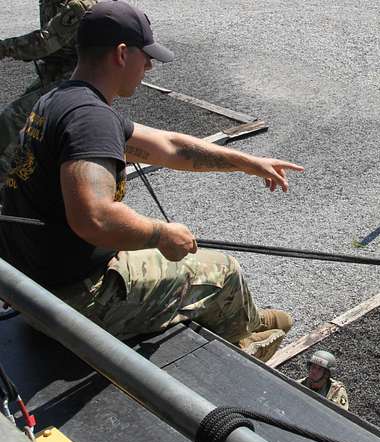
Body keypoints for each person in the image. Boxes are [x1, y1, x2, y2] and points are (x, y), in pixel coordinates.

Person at [0, 1, 304, 363]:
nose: (150, 66)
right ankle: (244, 341)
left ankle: (247, 318)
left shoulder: (59, 99)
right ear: (121, 54)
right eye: (146, 56)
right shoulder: (90, 120)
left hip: (31, 284)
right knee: (224, 272)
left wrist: (248, 162)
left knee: (175, 260)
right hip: (74, 298)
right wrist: (162, 234)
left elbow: (171, 147)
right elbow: (94, 218)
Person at [0, 0, 98, 184]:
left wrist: (4, 48)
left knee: (15, 119)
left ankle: (9, 184)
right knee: (11, 120)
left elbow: (44, 43)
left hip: (79, 78)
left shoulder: (78, 6)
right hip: (58, 74)